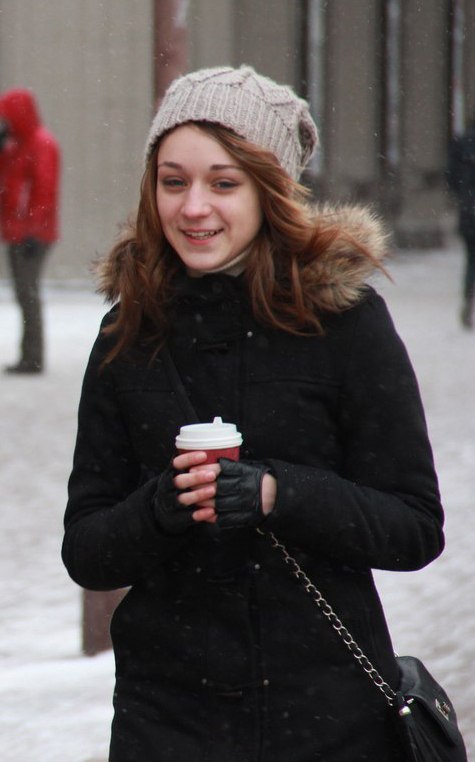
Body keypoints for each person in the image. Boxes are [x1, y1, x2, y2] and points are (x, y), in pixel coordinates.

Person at [62, 66, 444, 761]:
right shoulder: (128, 333)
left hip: (327, 718)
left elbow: (413, 528)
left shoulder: (344, 322)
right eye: (173, 181)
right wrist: (161, 507)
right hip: (166, 720)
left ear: (270, 191)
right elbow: (87, 551)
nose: (193, 207)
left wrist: (277, 492)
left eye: (223, 183)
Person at [0, 88, 61, 373]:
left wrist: (34, 231)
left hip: (31, 235)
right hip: (16, 232)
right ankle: (29, 355)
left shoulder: (41, 145)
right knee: (23, 293)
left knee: (28, 293)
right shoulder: (15, 146)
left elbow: (43, 193)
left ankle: (33, 358)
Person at [447, 117, 475, 329]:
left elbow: (451, 177)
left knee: (471, 260)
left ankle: (468, 297)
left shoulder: (463, 141)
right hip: (469, 209)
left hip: (469, 211)